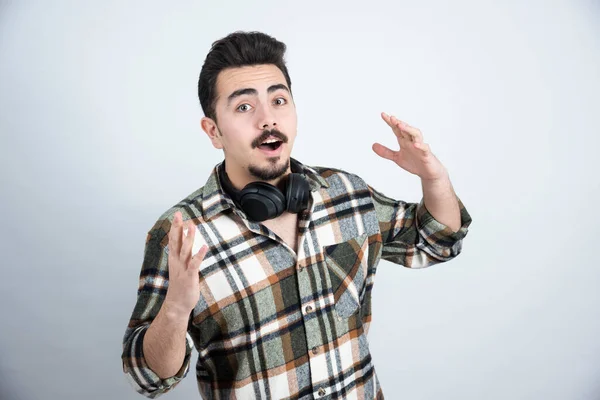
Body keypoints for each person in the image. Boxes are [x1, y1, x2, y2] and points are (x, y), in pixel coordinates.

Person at [121, 31, 472, 399]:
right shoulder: (181, 233)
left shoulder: (345, 194)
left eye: (278, 100)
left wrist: (434, 178)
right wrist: (175, 310)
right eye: (244, 107)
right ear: (213, 131)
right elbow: (148, 378)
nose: (267, 119)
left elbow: (436, 241)